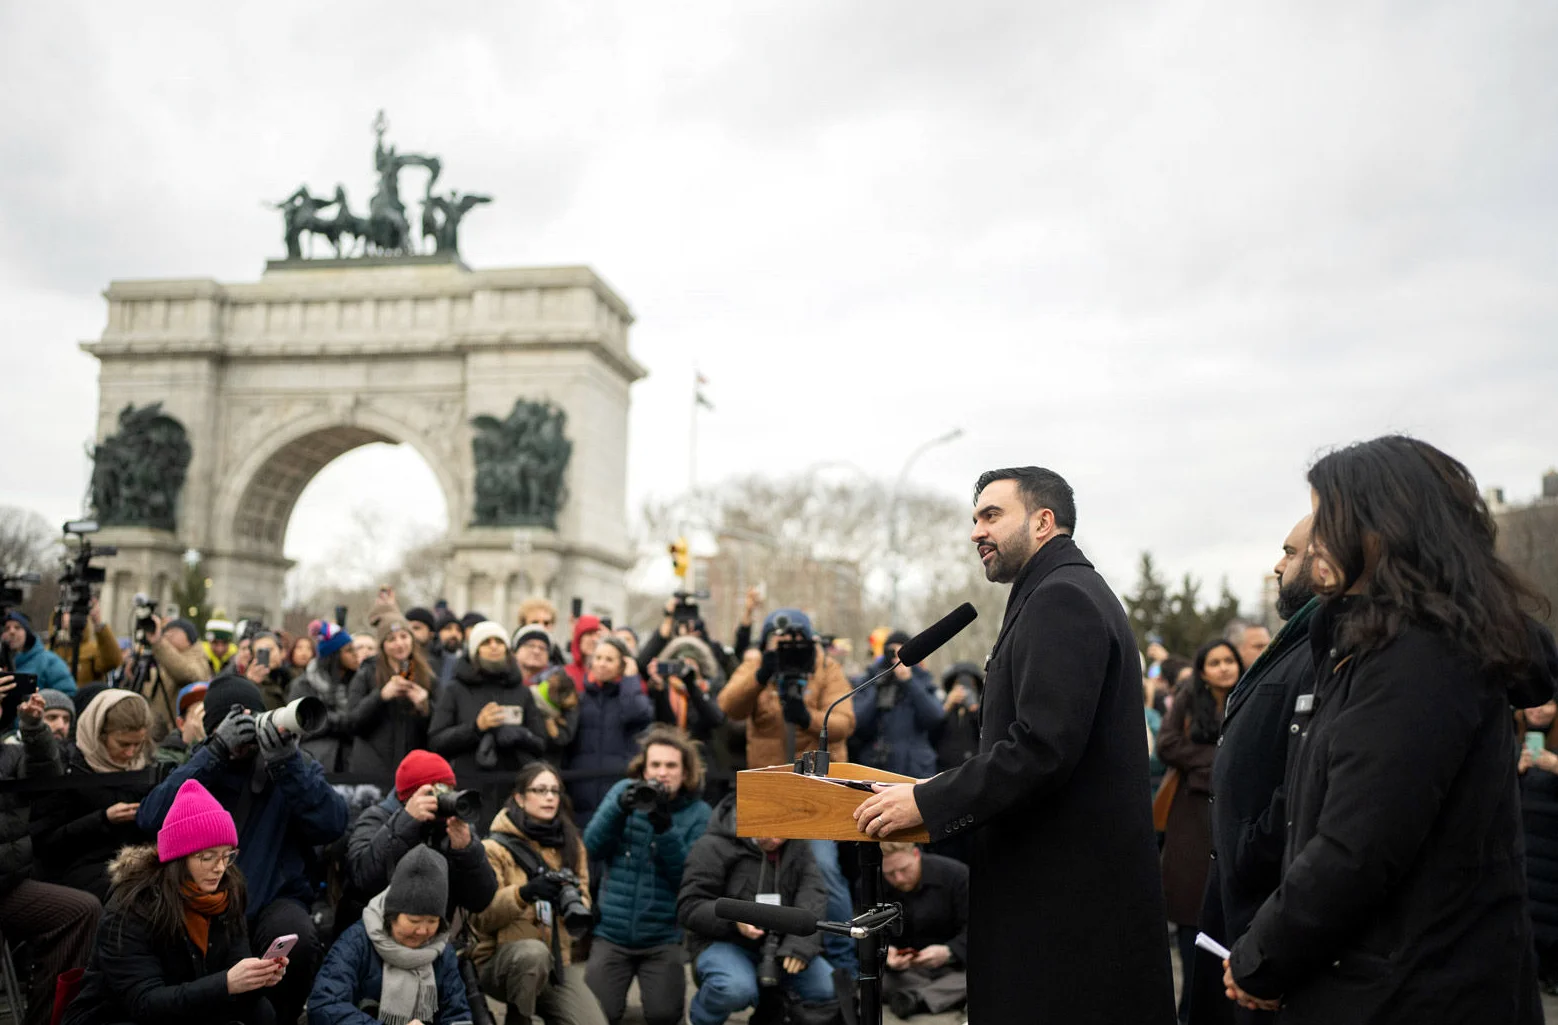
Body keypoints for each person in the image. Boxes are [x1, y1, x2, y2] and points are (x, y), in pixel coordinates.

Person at [1224, 437, 1551, 1022]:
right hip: (1381, 980)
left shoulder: (1420, 655)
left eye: (1330, 518)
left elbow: (1356, 847)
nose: (1313, 541)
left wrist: (1261, 955)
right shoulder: (1365, 643)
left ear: (1384, 528)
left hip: (1414, 992)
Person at [855, 466, 1175, 1023]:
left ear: (1044, 521)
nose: (976, 531)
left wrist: (928, 802)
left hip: (1064, 898)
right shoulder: (1056, 590)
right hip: (1060, 889)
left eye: (991, 515)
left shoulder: (1062, 599)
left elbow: (1042, 748)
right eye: (975, 517)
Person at [137, 676, 350, 1025]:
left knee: (296, 937)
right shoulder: (201, 763)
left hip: (272, 900)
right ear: (215, 729)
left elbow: (332, 824)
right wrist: (216, 753)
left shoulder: (291, 765)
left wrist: (287, 764)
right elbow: (151, 818)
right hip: (200, 901)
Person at [1188, 516, 1320, 1025]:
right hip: (1238, 890)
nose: (1278, 564)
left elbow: (1305, 776)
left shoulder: (1320, 647)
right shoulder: (1302, 641)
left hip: (1268, 888)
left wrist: (1251, 844)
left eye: (1290, 552)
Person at [62, 778, 283, 1025]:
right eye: (207, 857)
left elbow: (232, 971)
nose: (220, 867)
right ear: (179, 860)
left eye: (227, 855)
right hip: (117, 1017)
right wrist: (227, 983)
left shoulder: (227, 892)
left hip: (187, 1009)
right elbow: (144, 1002)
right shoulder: (132, 907)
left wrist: (256, 980)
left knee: (260, 1010)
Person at [717, 608, 858, 978]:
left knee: (824, 870)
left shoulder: (826, 668)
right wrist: (762, 674)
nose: (789, 647)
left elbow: (845, 723)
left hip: (816, 789)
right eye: (780, 641)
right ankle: (762, 955)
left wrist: (807, 716)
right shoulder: (756, 665)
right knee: (761, 871)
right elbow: (728, 706)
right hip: (770, 788)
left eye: (798, 641)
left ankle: (846, 962)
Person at [583, 726, 713, 1025]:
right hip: (612, 935)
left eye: (671, 766)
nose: (662, 773)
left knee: (665, 1015)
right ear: (643, 769)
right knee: (595, 1015)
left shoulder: (698, 813)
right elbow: (590, 847)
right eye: (655, 765)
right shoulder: (622, 792)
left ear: (685, 772)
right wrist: (619, 809)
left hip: (662, 938)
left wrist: (665, 829)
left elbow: (688, 879)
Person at [678, 794, 835, 1025]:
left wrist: (800, 945)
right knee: (735, 989)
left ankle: (769, 1015)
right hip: (724, 942)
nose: (775, 839)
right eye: (767, 829)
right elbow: (689, 906)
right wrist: (734, 919)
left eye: (781, 830)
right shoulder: (713, 844)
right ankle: (701, 1019)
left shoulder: (797, 846)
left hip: (780, 944)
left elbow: (813, 893)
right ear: (748, 817)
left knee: (825, 987)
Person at [470, 762, 606, 1025]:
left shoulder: (571, 844)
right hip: (499, 962)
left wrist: (570, 900)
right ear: (520, 798)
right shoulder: (493, 849)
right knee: (533, 953)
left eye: (555, 791)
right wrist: (524, 894)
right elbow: (482, 917)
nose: (549, 797)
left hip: (556, 962)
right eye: (540, 790)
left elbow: (584, 900)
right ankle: (518, 1017)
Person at [0, 687, 101, 1025]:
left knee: (81, 911)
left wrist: (33, 726)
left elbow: (46, 779)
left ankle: (48, 1019)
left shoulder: (9, 751)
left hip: (8, 884)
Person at [1158, 639, 1243, 1022]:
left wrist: (1213, 765)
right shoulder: (1189, 699)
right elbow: (1168, 745)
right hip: (1189, 820)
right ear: (1203, 668)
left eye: (1229, 660)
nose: (1224, 667)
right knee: (1191, 911)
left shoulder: (1249, 694)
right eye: (1215, 661)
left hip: (1232, 815)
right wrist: (1216, 761)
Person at [309, 845, 474, 1025]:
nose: (423, 931)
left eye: (432, 921)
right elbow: (323, 1006)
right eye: (414, 921)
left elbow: (458, 1015)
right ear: (392, 916)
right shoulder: (357, 942)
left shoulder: (442, 952)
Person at [33, 689, 160, 902]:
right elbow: (46, 844)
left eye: (137, 744)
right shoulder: (68, 767)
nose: (130, 753)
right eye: (123, 744)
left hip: (136, 864)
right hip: (76, 872)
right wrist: (103, 819)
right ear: (99, 734)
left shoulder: (147, 768)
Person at [346, 750, 498, 927]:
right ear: (411, 795)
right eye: (437, 790)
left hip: (434, 935)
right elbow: (362, 880)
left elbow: (481, 901)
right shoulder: (376, 818)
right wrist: (407, 821)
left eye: (449, 789)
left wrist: (467, 851)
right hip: (374, 930)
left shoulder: (453, 826)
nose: (444, 797)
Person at [430, 622, 548, 827]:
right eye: (486, 642)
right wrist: (476, 727)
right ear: (475, 650)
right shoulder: (455, 690)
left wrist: (519, 734)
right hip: (468, 791)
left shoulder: (521, 691)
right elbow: (436, 740)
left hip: (512, 792)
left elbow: (541, 743)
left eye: (499, 642)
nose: (494, 646)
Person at [565, 636, 653, 827]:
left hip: (617, 790)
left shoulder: (629, 696)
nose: (602, 664)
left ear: (623, 665)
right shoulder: (579, 699)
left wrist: (630, 679)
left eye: (609, 659)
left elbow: (639, 714)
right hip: (581, 791)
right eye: (598, 658)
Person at [878, 842, 969, 1019]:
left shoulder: (956, 875)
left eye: (904, 869)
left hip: (954, 965)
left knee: (975, 980)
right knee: (876, 981)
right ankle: (929, 996)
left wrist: (949, 951)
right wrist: (887, 952)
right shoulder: (873, 885)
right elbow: (869, 933)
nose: (899, 879)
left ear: (916, 854)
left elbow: (976, 928)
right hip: (907, 971)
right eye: (889, 874)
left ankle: (918, 998)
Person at [347, 618, 437, 784]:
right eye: (391, 639)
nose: (399, 644)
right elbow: (352, 722)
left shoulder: (428, 674)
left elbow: (439, 728)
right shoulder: (366, 673)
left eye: (404, 636)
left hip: (413, 768)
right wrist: (380, 696)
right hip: (372, 767)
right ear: (383, 645)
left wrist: (425, 707)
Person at [853, 629, 945, 779]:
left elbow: (935, 716)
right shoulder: (872, 678)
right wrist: (879, 684)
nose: (897, 658)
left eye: (902, 652)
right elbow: (858, 720)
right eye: (892, 653)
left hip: (914, 767)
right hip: (876, 765)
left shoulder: (921, 679)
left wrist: (909, 681)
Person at [119, 616, 212, 740]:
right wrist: (133, 675)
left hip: (179, 735)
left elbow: (187, 674)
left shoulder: (198, 658)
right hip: (156, 732)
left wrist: (158, 642)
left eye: (173, 633)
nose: (166, 636)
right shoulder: (165, 659)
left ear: (188, 637)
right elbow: (148, 692)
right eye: (165, 632)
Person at [289, 619, 362, 774]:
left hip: (353, 759)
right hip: (317, 760)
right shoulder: (304, 684)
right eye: (349, 650)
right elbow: (304, 722)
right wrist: (345, 722)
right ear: (334, 655)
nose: (356, 655)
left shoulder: (360, 681)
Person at [48, 597, 123, 687]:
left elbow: (113, 661)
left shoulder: (92, 649)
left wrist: (98, 624)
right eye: (63, 614)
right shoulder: (48, 651)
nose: (66, 618)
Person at [3, 610, 76, 695]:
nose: (12, 632)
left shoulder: (49, 661)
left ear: (27, 632)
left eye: (17, 627)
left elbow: (68, 693)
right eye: (7, 628)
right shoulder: (5, 664)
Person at [933, 663, 982, 772]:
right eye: (958, 685)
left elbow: (986, 732)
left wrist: (974, 708)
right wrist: (947, 706)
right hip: (945, 769)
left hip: (973, 768)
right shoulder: (942, 707)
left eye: (969, 685)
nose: (964, 691)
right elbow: (931, 730)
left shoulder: (981, 709)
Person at [155, 681, 209, 768]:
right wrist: (201, 744)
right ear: (181, 724)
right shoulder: (166, 754)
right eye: (198, 714)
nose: (204, 721)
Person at [565, 615, 604, 689]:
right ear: (578, 640)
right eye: (589, 634)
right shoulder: (567, 673)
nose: (595, 639)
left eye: (598, 635)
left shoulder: (607, 674)